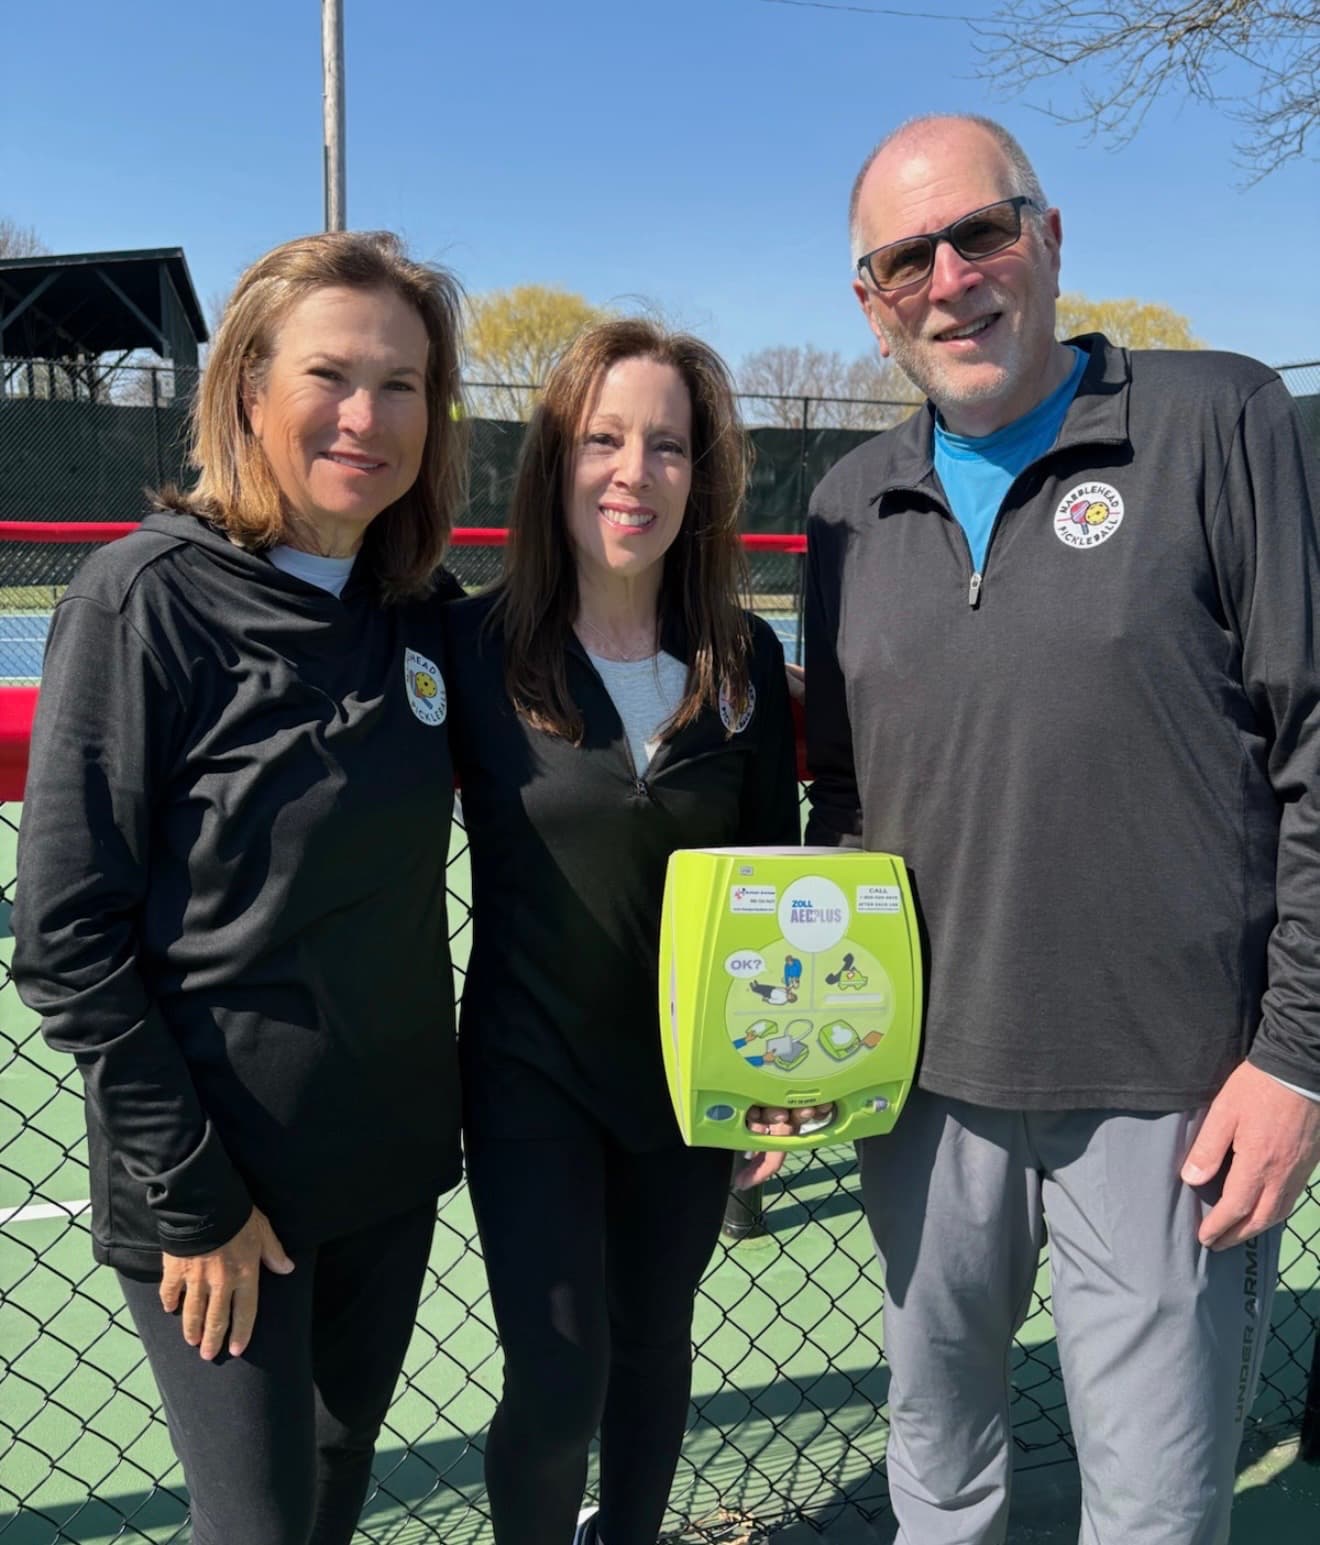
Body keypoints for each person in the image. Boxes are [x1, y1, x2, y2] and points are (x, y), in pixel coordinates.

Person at [805, 113, 1320, 1544]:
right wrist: (798, 1047)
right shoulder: (848, 504)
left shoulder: (1218, 417)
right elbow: (841, 806)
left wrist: (1297, 1057)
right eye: (906, 259)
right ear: (871, 302)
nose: (951, 279)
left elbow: (1315, 744)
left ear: (1048, 238)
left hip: (1169, 1095)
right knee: (943, 1483)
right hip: (920, 1096)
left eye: (981, 233)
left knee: (1153, 1514)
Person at [12, 230, 468, 1545]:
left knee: (326, 1499)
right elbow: (67, 937)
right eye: (331, 374)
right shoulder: (143, 597)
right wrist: (193, 1193)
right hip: (223, 1189)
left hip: (386, 1172)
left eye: (404, 384)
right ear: (248, 387)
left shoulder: (418, 609)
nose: (368, 416)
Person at [443, 318, 816, 1545]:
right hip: (529, 1077)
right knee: (558, 1381)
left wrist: (764, 1084)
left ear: (701, 477)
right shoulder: (469, 647)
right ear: (554, 461)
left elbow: (770, 886)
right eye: (603, 439)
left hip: (686, 1092)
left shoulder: (746, 658)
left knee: (656, 1351)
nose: (633, 472)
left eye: (667, 445)